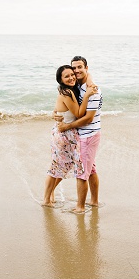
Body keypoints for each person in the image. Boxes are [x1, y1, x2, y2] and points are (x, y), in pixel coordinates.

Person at [42, 65, 95, 207]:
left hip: (63, 133)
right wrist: (87, 96)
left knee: (61, 166)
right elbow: (78, 114)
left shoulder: (68, 90)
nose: (71, 77)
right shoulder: (67, 92)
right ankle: (46, 200)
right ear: (60, 80)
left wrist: (88, 82)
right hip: (64, 135)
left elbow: (88, 75)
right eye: (67, 76)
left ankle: (50, 194)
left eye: (72, 74)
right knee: (57, 167)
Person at [57, 56, 102, 214]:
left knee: (82, 173)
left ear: (86, 68)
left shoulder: (93, 90)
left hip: (88, 134)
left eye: (79, 67)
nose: (76, 71)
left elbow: (88, 118)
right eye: (74, 68)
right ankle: (94, 202)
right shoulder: (80, 87)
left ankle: (80, 207)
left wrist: (66, 126)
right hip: (84, 134)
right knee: (91, 170)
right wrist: (57, 116)